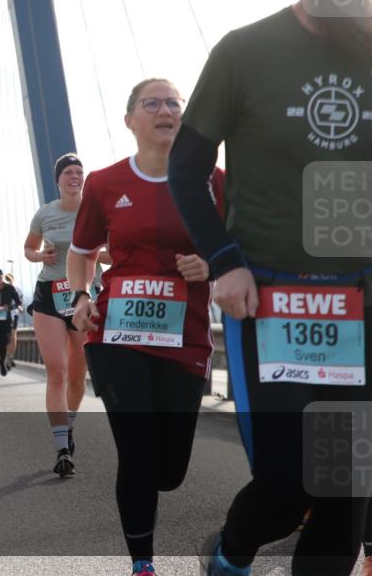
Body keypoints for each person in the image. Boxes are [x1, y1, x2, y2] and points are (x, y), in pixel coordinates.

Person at [166, 0, 372, 573]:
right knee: (288, 486)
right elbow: (186, 169)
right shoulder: (244, 51)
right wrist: (223, 262)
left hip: (360, 300)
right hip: (270, 300)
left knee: (344, 492)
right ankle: (228, 554)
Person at [67, 78, 221, 576]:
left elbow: (242, 246)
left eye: (174, 102)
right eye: (151, 103)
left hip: (186, 335)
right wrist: (81, 295)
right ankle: (142, 564)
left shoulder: (214, 181)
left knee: (169, 470)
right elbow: (81, 253)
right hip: (117, 334)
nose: (165, 109)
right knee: (135, 447)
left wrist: (212, 263)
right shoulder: (106, 182)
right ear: (130, 120)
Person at [24, 153, 109, 475]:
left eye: (79, 172)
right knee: (57, 371)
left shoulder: (98, 211)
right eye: (68, 172)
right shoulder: (45, 213)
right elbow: (29, 248)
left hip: (84, 297)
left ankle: (68, 426)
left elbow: (117, 255)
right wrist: (38, 255)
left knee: (76, 377)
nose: (75, 176)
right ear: (58, 180)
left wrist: (92, 251)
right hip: (49, 296)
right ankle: (62, 449)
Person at [4, 272, 24, 367]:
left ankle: (10, 356)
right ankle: (6, 356)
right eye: (7, 281)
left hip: (14, 313)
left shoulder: (18, 290)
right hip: (4, 315)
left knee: (13, 336)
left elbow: (20, 303)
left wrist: (20, 307)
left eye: (10, 280)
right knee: (7, 337)